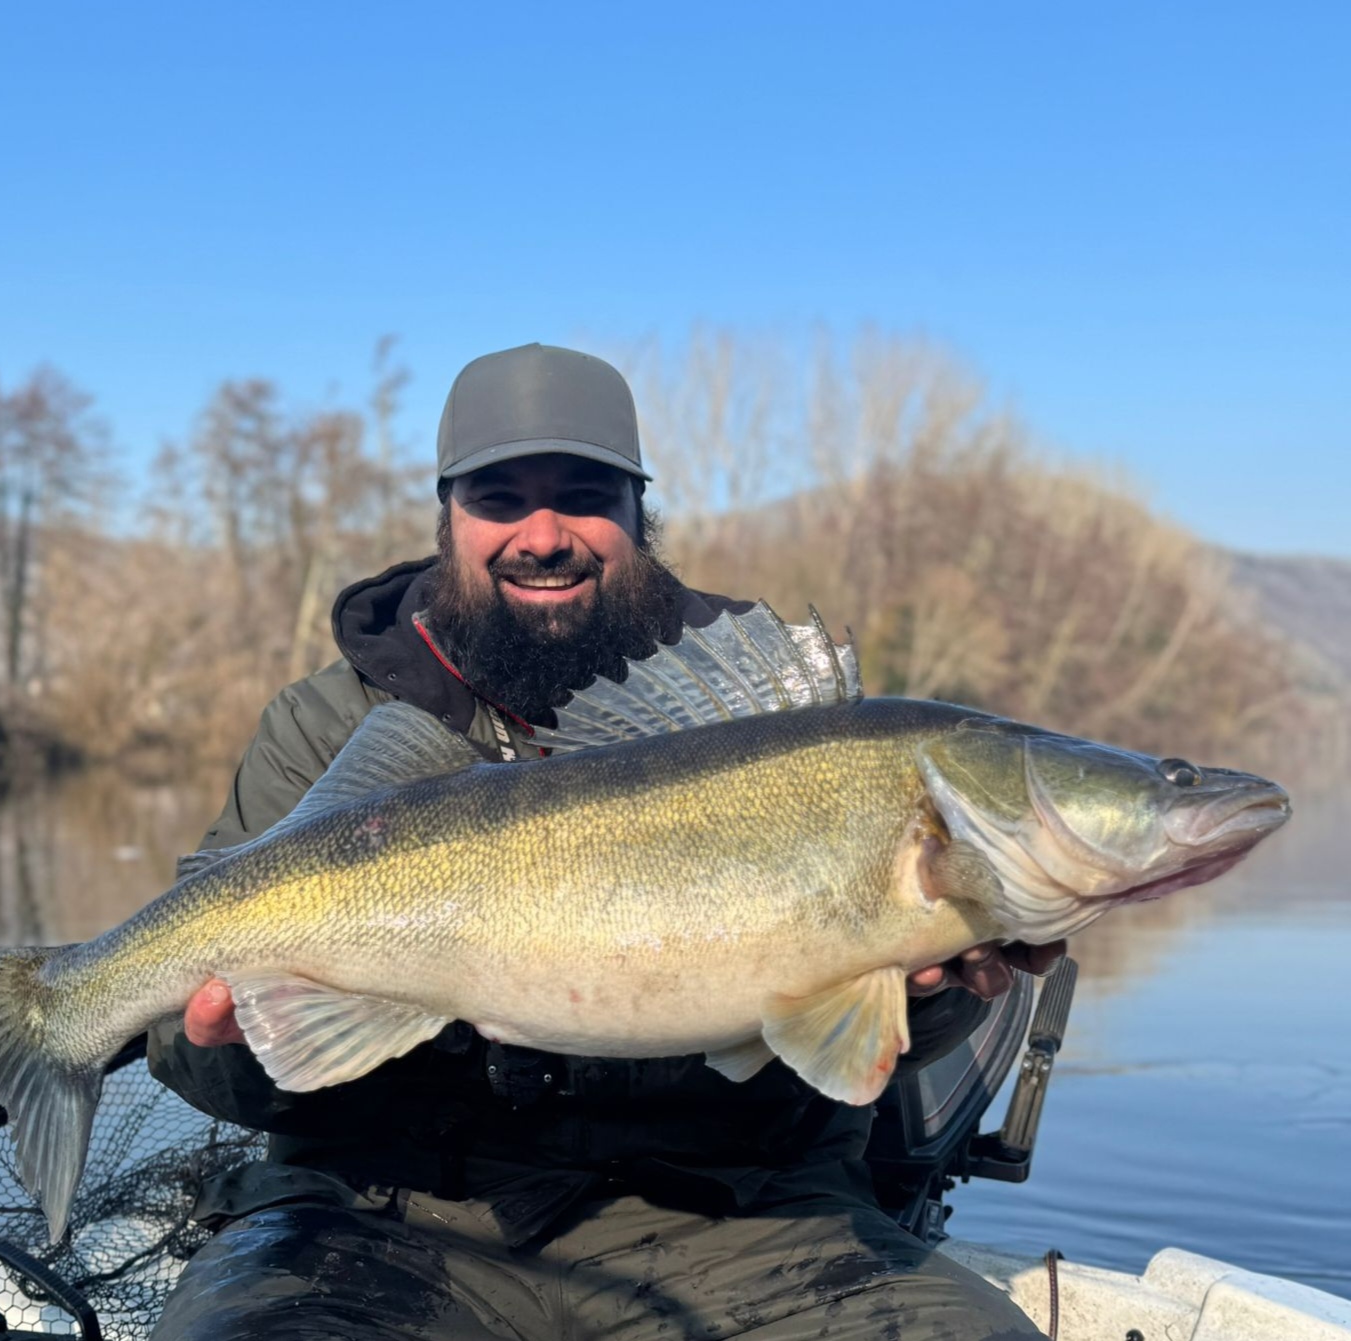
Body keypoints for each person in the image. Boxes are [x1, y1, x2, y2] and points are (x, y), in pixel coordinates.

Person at [148, 344, 1059, 1339]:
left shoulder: (774, 728)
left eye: (584, 495)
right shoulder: (328, 726)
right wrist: (229, 1048)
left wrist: (930, 992)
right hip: (380, 1220)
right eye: (499, 498)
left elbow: (851, 1051)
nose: (543, 535)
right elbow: (192, 1059)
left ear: (638, 514)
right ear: (446, 517)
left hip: (744, 1223)